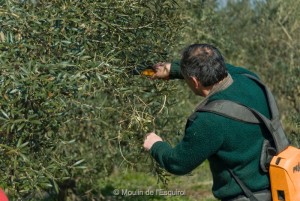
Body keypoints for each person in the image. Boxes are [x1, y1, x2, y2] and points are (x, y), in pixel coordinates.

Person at [143, 44, 273, 201]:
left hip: (246, 196)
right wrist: (173, 69)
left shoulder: (209, 121)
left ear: (194, 81)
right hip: (276, 186)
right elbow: (227, 69)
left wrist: (156, 145)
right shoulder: (249, 79)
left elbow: (178, 163)